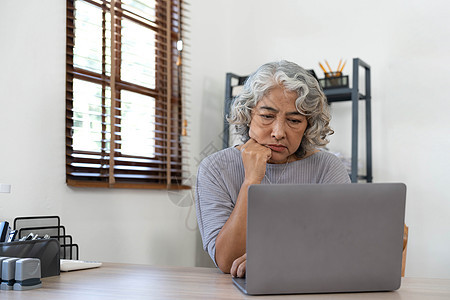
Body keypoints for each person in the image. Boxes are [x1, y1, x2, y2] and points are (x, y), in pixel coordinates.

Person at [195, 60, 350, 278]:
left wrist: (277, 258)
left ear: (308, 126)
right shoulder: (215, 169)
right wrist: (251, 180)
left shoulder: (327, 168)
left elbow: (343, 249)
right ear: (248, 115)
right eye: (267, 116)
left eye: (294, 120)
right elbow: (227, 260)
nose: (278, 132)